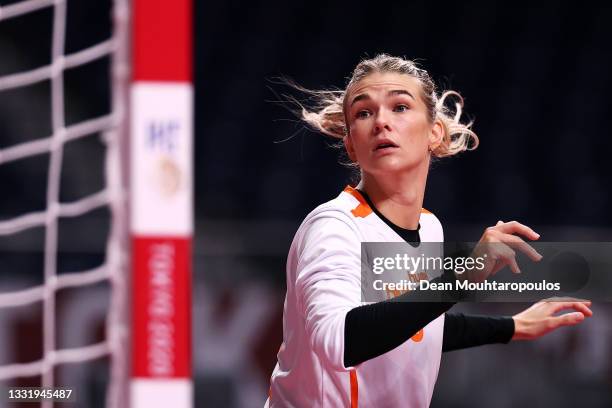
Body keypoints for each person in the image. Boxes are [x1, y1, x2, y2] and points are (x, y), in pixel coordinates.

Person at [266, 54, 592, 407]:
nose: (381, 122)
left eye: (400, 107)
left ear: (434, 133)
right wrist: (462, 277)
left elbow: (416, 326)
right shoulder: (334, 226)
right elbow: (339, 341)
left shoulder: (429, 227)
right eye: (363, 113)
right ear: (351, 145)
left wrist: (511, 327)